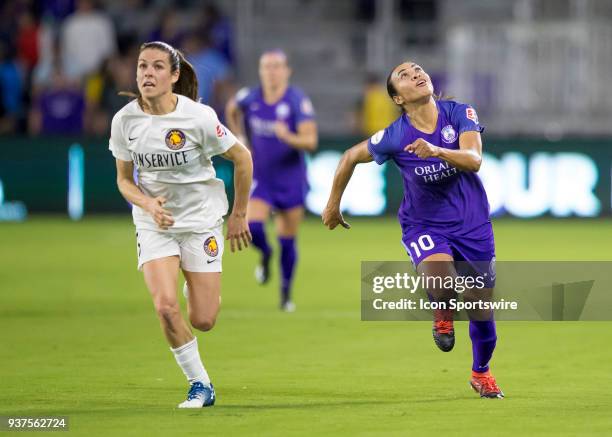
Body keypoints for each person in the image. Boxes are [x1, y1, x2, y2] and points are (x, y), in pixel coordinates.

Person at [322, 61, 503, 398]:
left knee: (481, 307)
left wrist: (436, 150)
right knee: (441, 278)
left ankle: (481, 372)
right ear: (398, 99)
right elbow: (349, 157)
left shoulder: (460, 113)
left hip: (472, 223)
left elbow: (474, 160)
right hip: (424, 223)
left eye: (417, 69)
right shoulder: (395, 135)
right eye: (403, 76)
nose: (416, 74)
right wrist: (333, 203)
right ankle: (443, 313)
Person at [108, 41, 253, 408]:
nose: (147, 74)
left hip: (201, 222)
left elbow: (243, 158)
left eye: (157, 67)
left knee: (203, 319)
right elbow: (124, 180)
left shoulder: (198, 117)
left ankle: (197, 285)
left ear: (174, 76)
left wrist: (238, 215)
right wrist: (147, 203)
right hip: (154, 223)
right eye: (142, 66)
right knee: (165, 307)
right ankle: (200, 384)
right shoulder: (125, 121)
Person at [225, 49, 317, 312]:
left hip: (290, 177)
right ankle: (265, 254)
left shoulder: (297, 100)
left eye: (277, 66)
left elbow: (310, 141)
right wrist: (240, 138)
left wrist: (288, 136)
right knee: (252, 227)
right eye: (266, 66)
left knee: (288, 239)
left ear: (287, 71)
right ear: (260, 70)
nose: (271, 71)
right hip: (261, 176)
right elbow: (232, 108)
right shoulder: (251, 96)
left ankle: (285, 295)